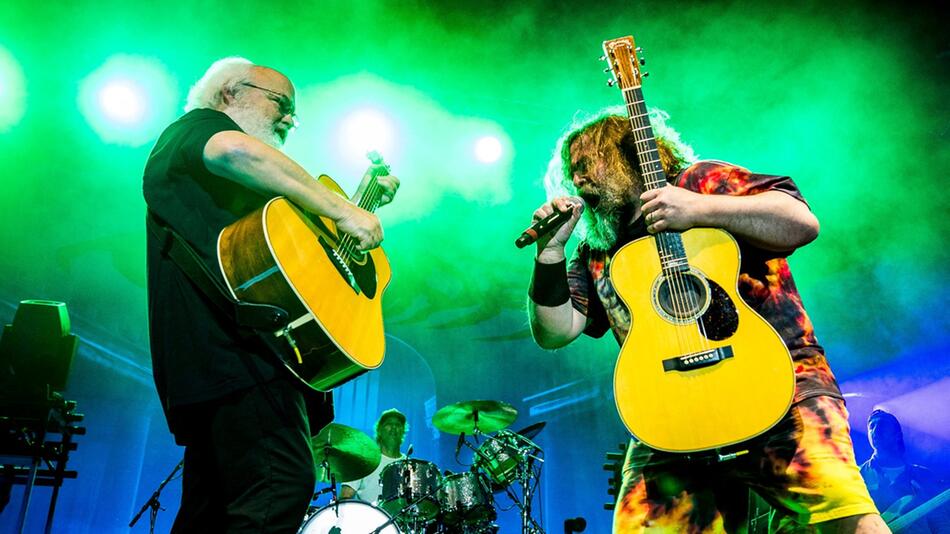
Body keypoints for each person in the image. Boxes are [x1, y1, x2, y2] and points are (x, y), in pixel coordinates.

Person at [526, 110, 889, 533]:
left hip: (778, 385)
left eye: (587, 162)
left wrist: (700, 209)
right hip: (669, 413)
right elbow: (554, 332)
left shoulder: (698, 183)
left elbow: (801, 223)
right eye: (572, 171)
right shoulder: (597, 247)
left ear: (625, 152)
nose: (577, 178)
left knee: (844, 518)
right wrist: (549, 253)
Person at [143, 57, 399, 533]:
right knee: (278, 485)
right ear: (228, 94)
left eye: (293, 114)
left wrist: (360, 200)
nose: (288, 119)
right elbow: (238, 151)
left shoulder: (242, 200)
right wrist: (343, 211)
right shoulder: (197, 129)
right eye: (279, 103)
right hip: (236, 358)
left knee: (212, 511)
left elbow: (295, 265)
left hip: (227, 365)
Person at [860, 409, 950, 533]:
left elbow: (940, 520)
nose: (875, 431)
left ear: (897, 434)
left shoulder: (924, 476)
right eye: (871, 426)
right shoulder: (857, 476)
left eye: (882, 426)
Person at [340, 408, 408, 502]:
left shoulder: (409, 465)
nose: (393, 428)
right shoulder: (363, 460)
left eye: (398, 425)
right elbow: (345, 496)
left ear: (403, 431)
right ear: (379, 429)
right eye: (389, 424)